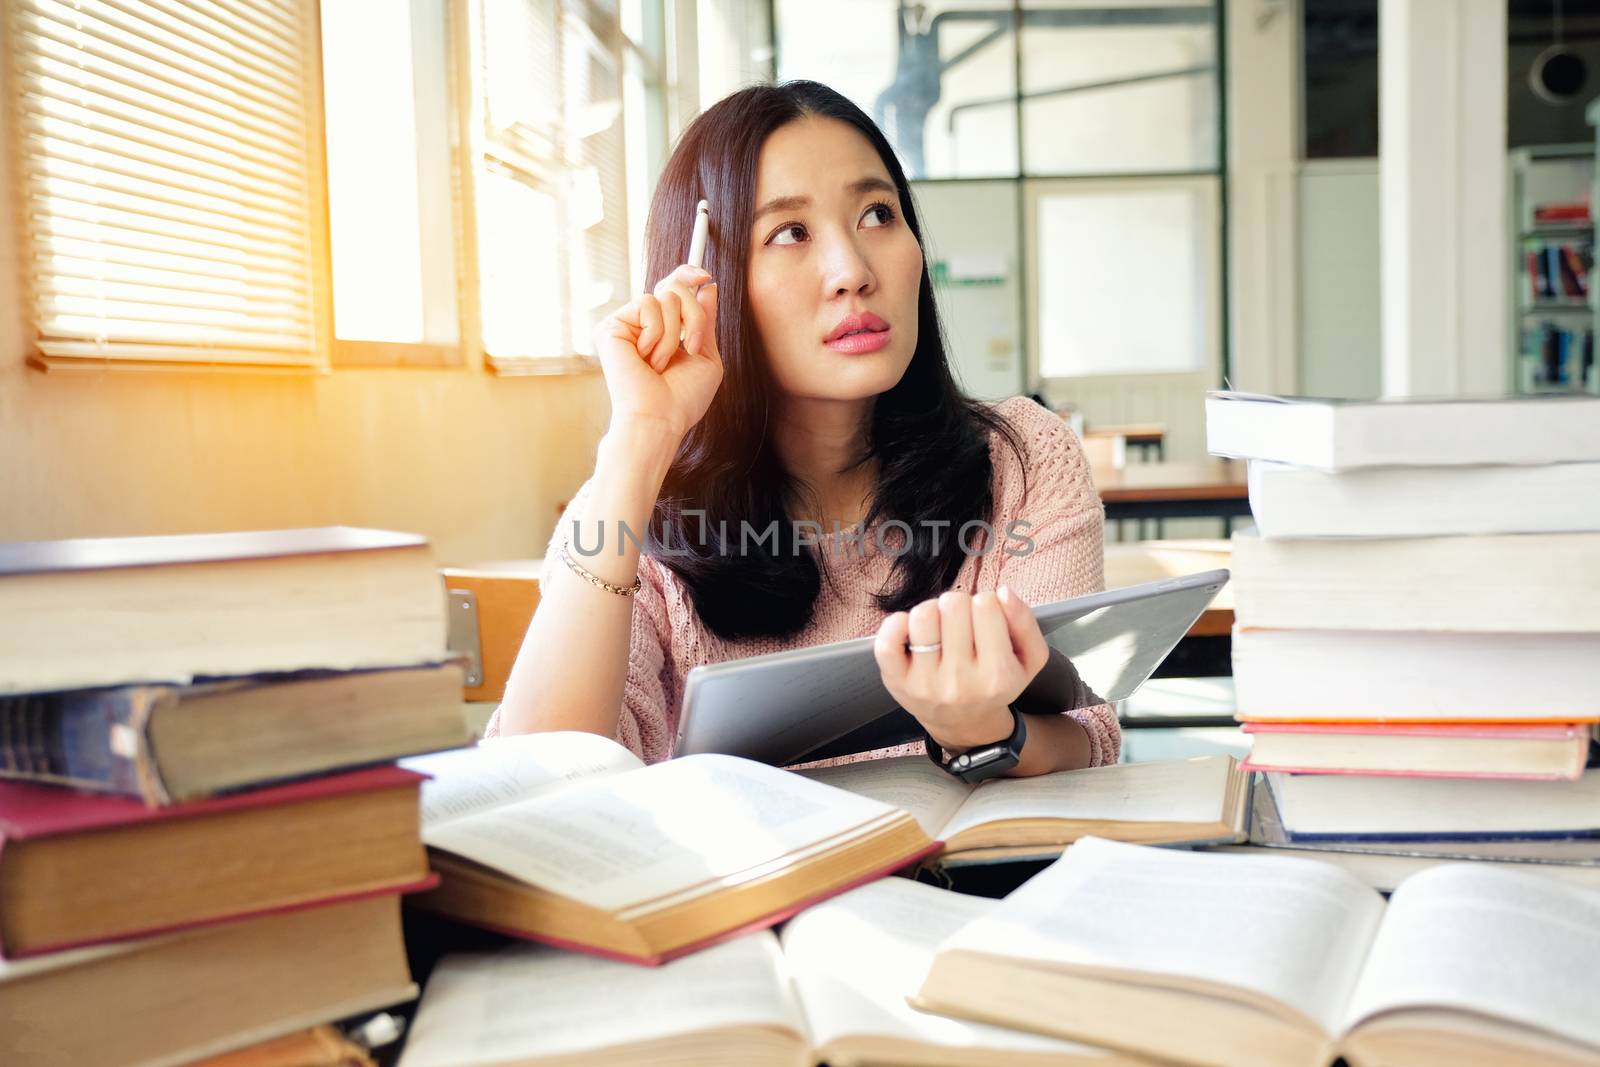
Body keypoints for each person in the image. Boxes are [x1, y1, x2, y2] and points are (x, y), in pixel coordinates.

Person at [486, 80, 1118, 775]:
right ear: (703, 281)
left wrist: (984, 732)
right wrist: (640, 436)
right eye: (789, 232)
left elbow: (1088, 733)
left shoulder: (1020, 458)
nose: (852, 270)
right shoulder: (628, 511)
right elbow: (532, 786)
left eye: (878, 214)